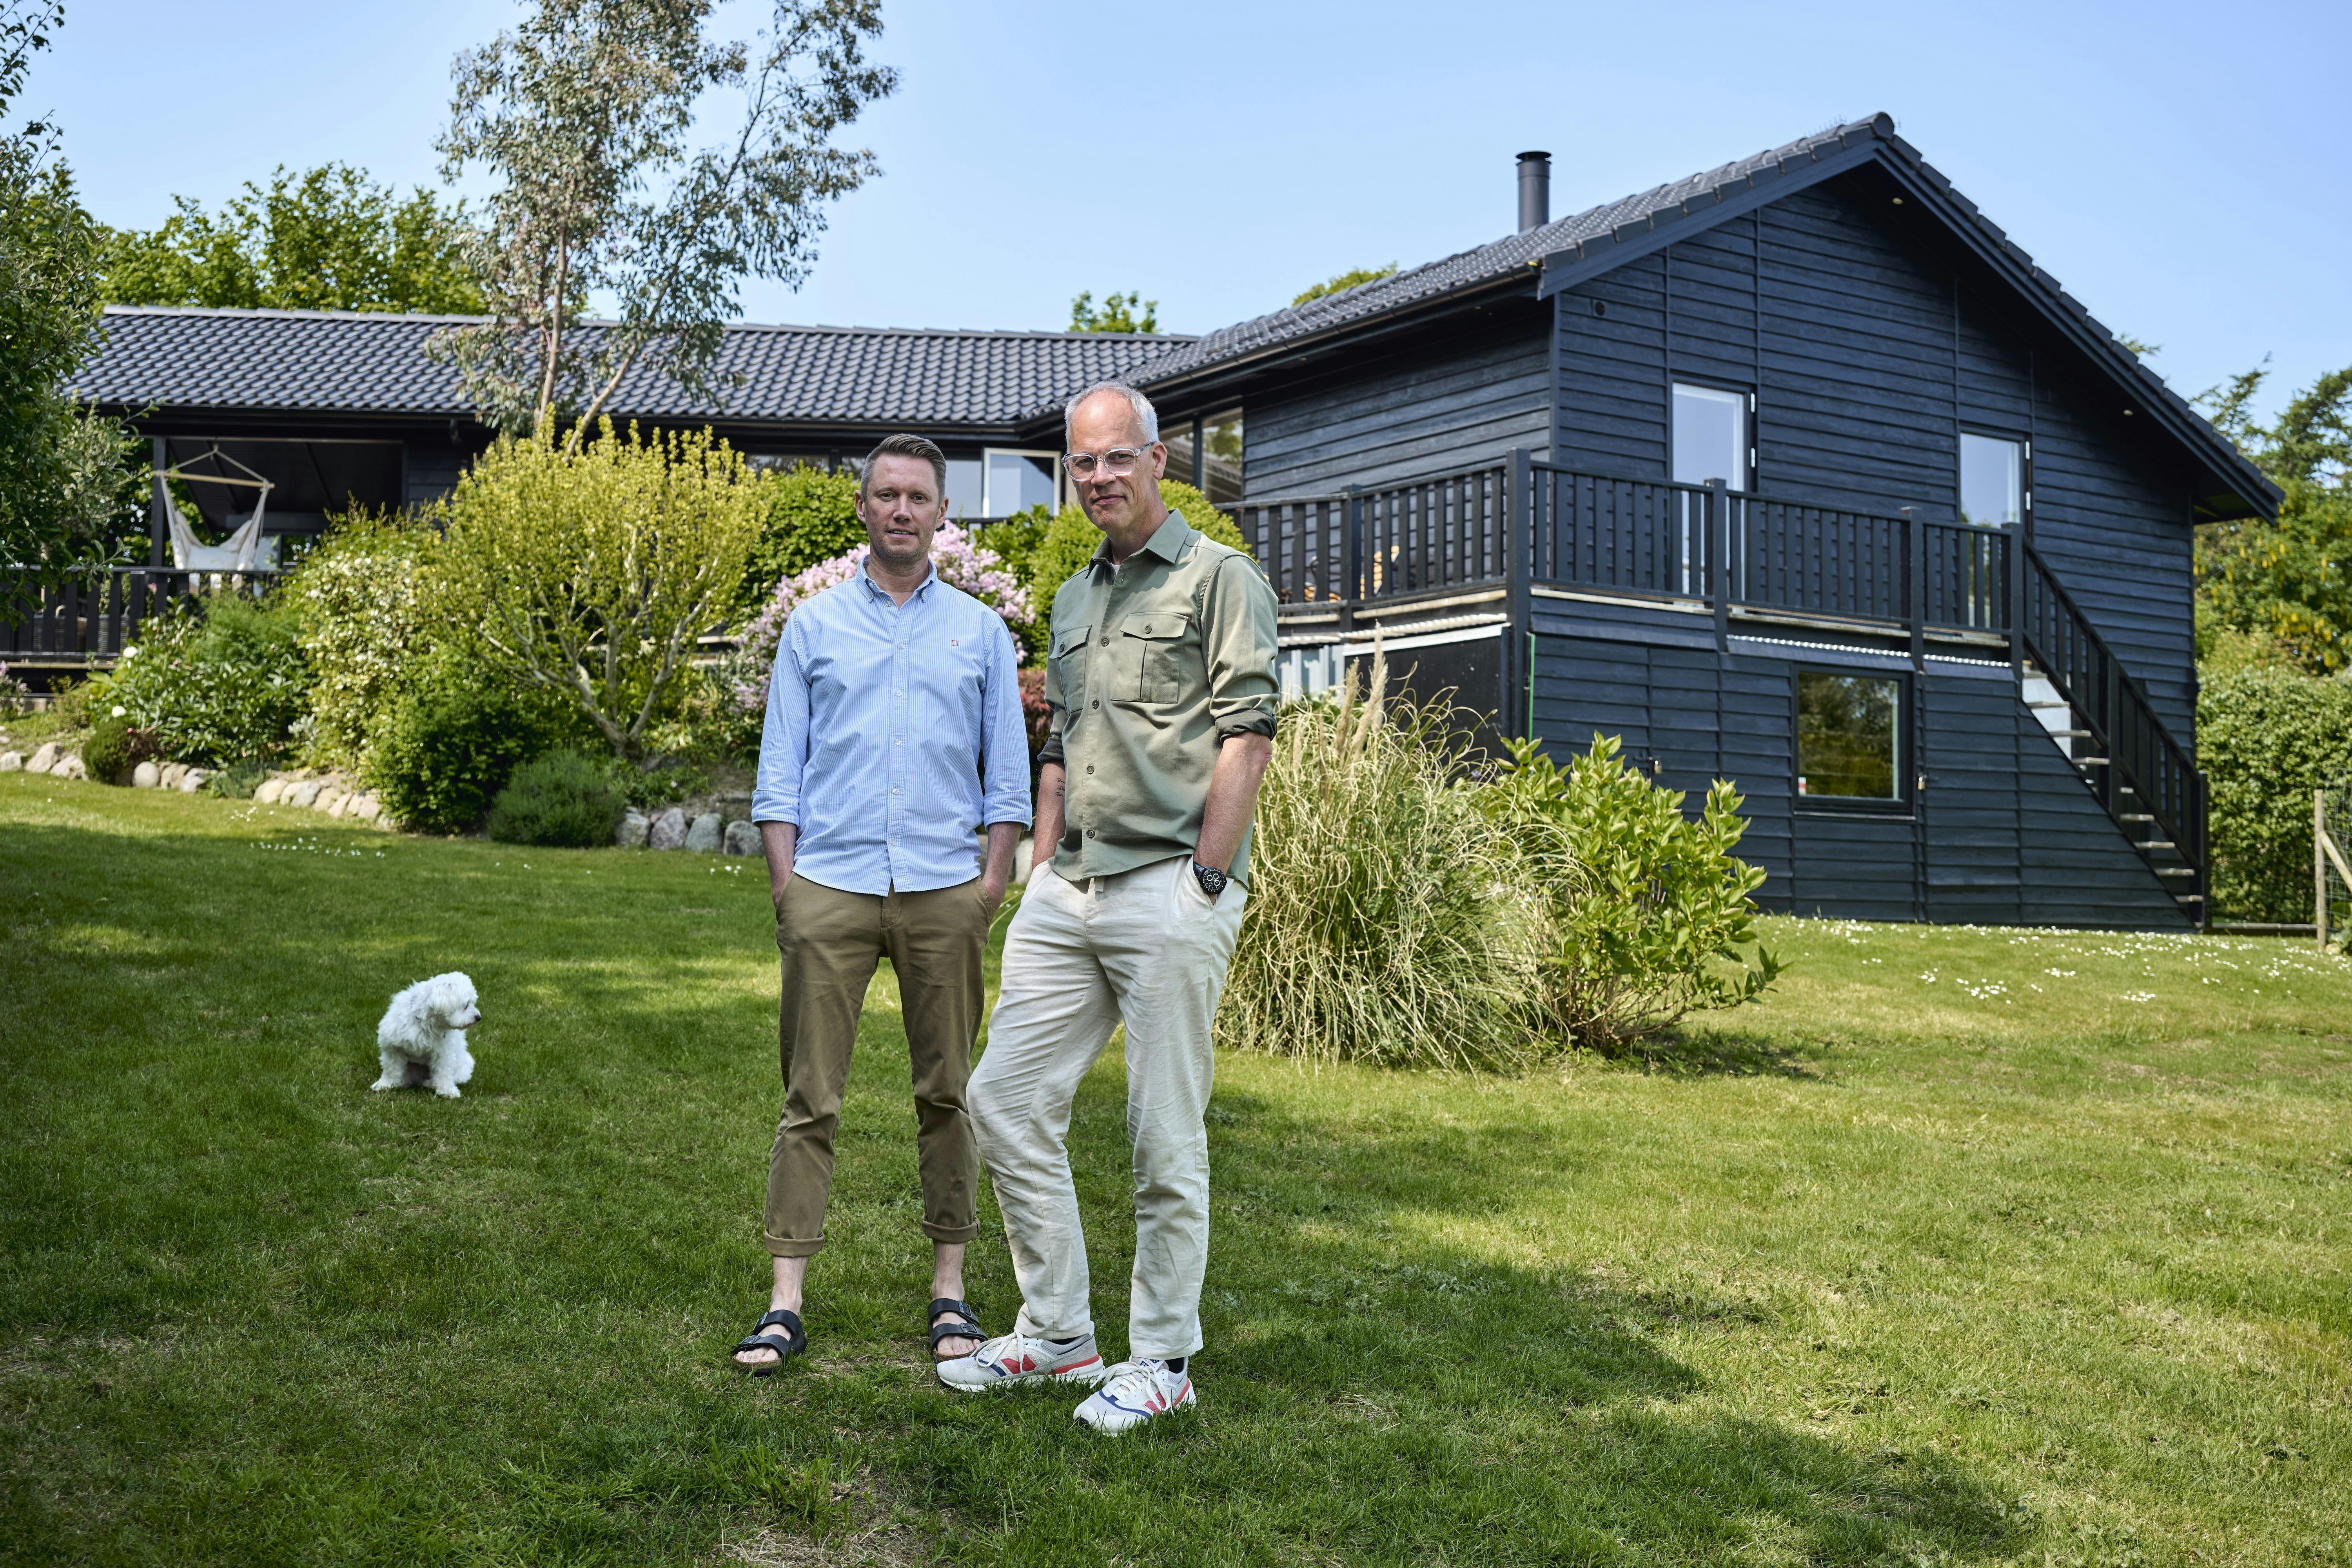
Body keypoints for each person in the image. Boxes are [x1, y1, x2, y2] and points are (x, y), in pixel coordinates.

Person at [940, 382, 1279, 1433]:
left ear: (1158, 460)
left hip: (1169, 887)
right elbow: (1060, 744)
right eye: (1081, 463)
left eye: (1115, 459)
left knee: (1160, 1133)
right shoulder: (1077, 595)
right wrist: (1043, 866)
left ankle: (1163, 1360)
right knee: (1002, 1099)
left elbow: (1249, 734)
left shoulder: (1222, 580)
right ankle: (1057, 1336)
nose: (1098, 478)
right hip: (1069, 888)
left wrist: (1206, 883)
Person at [732, 433, 1031, 1375]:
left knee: (950, 1093)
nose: (902, 510)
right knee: (809, 1096)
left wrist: (988, 886)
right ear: (862, 508)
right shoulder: (815, 627)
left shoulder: (980, 631)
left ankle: (950, 1288)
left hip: (946, 889)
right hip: (831, 885)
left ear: (944, 514)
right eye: (886, 494)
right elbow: (779, 769)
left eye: (919, 497)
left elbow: (1009, 780)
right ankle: (785, 1302)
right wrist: (790, 887)